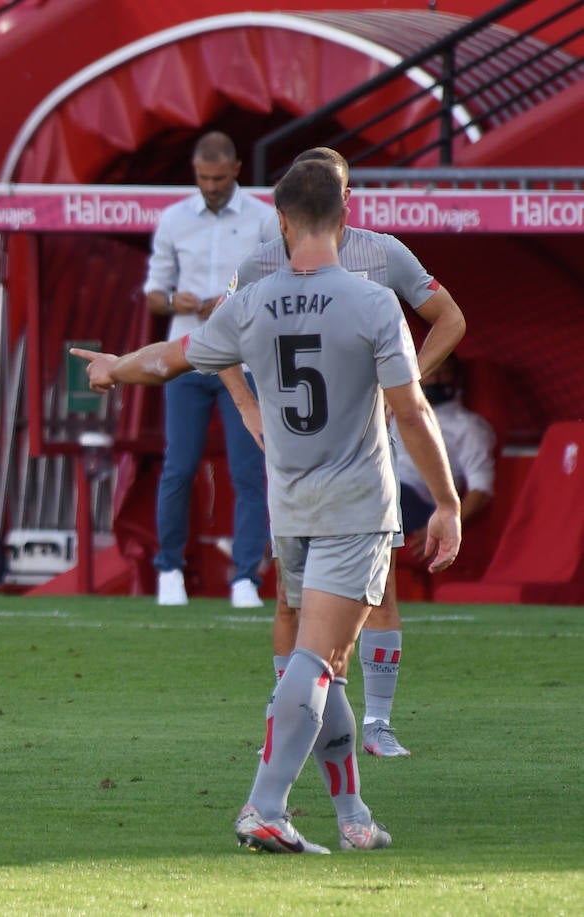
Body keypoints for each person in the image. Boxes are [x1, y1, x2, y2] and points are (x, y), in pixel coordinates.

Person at [74, 159, 461, 854]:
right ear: (344, 217)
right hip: (354, 507)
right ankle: (265, 805)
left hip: (291, 507)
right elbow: (411, 409)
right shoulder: (373, 302)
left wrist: (115, 365)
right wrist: (448, 501)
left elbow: (174, 354)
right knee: (318, 661)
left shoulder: (252, 300)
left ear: (280, 219)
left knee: (321, 664)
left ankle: (351, 813)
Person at [224, 146, 468, 758]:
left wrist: (400, 383)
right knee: (290, 593)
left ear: (345, 200)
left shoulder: (382, 254)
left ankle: (378, 723)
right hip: (294, 456)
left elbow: (450, 318)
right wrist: (251, 407)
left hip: (363, 451)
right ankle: (291, 719)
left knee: (376, 589)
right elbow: (214, 339)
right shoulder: (259, 266)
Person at [143, 131, 278, 609]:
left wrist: (237, 300)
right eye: (203, 179)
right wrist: (172, 299)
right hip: (188, 354)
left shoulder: (264, 218)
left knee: (249, 470)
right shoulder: (175, 218)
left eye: (219, 179)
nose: (212, 187)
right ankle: (170, 570)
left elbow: (277, 282)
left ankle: (246, 577)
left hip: (244, 357)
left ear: (238, 169)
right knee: (178, 466)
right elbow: (154, 290)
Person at [394, 354, 495, 555]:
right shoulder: (396, 414)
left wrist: (449, 524)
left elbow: (481, 490)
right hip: (381, 487)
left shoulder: (469, 426)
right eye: (430, 373)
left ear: (456, 379)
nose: (435, 380)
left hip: (421, 500)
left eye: (443, 373)